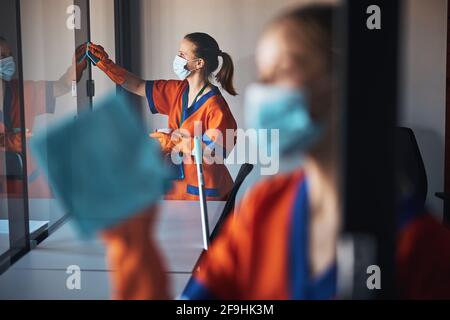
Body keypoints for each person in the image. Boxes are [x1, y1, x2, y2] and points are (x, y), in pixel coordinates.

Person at [86, 33, 238, 201]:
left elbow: (214, 152)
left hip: (205, 194)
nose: (177, 58)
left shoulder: (215, 106)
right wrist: (106, 65)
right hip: (177, 188)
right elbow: (138, 85)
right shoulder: (178, 91)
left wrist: (173, 141)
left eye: (182, 55)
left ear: (199, 63)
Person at [0, 37, 87, 197]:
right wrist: (7, 141)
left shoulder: (23, 90)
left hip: (29, 187)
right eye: (2, 56)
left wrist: (75, 69)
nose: (8, 60)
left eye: (9, 55)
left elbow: (63, 86)